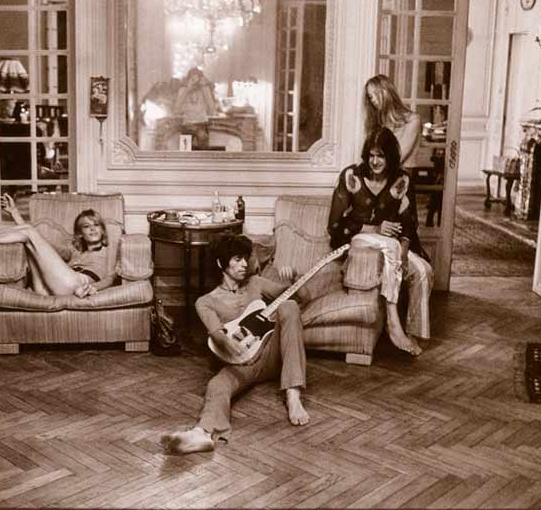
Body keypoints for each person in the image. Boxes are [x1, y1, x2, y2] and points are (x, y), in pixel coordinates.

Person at [161, 233, 310, 454]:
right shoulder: (206, 302)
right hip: (242, 362)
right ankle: (202, 434)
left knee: (288, 306)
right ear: (221, 263)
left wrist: (295, 277)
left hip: (272, 353)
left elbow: (301, 298)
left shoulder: (256, 283)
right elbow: (215, 332)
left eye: (246, 259)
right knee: (216, 385)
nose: (244, 264)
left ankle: (293, 395)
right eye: (237, 259)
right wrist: (224, 341)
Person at [328, 128, 433, 356]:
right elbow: (335, 225)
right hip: (358, 239)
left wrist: (405, 255)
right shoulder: (351, 176)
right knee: (390, 245)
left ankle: (413, 330)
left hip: (393, 245)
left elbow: (408, 224)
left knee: (423, 271)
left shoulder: (401, 180)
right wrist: (375, 227)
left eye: (381, 156)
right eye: (371, 155)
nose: (375, 161)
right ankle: (393, 322)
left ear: (391, 157)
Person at [0, 194, 113, 298]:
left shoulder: (109, 251)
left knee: (29, 234)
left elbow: (111, 277)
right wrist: (15, 213)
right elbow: (37, 241)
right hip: (45, 289)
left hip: (75, 284)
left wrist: (95, 288)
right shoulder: (73, 251)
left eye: (96, 225)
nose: (92, 229)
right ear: (80, 233)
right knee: (29, 238)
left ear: (103, 230)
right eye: (86, 226)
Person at [364, 74, 422, 166]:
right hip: (378, 173)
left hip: (401, 176)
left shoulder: (413, 120)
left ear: (388, 92)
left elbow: (397, 158)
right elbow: (368, 155)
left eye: (376, 94)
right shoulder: (376, 121)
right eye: (370, 97)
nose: (373, 100)